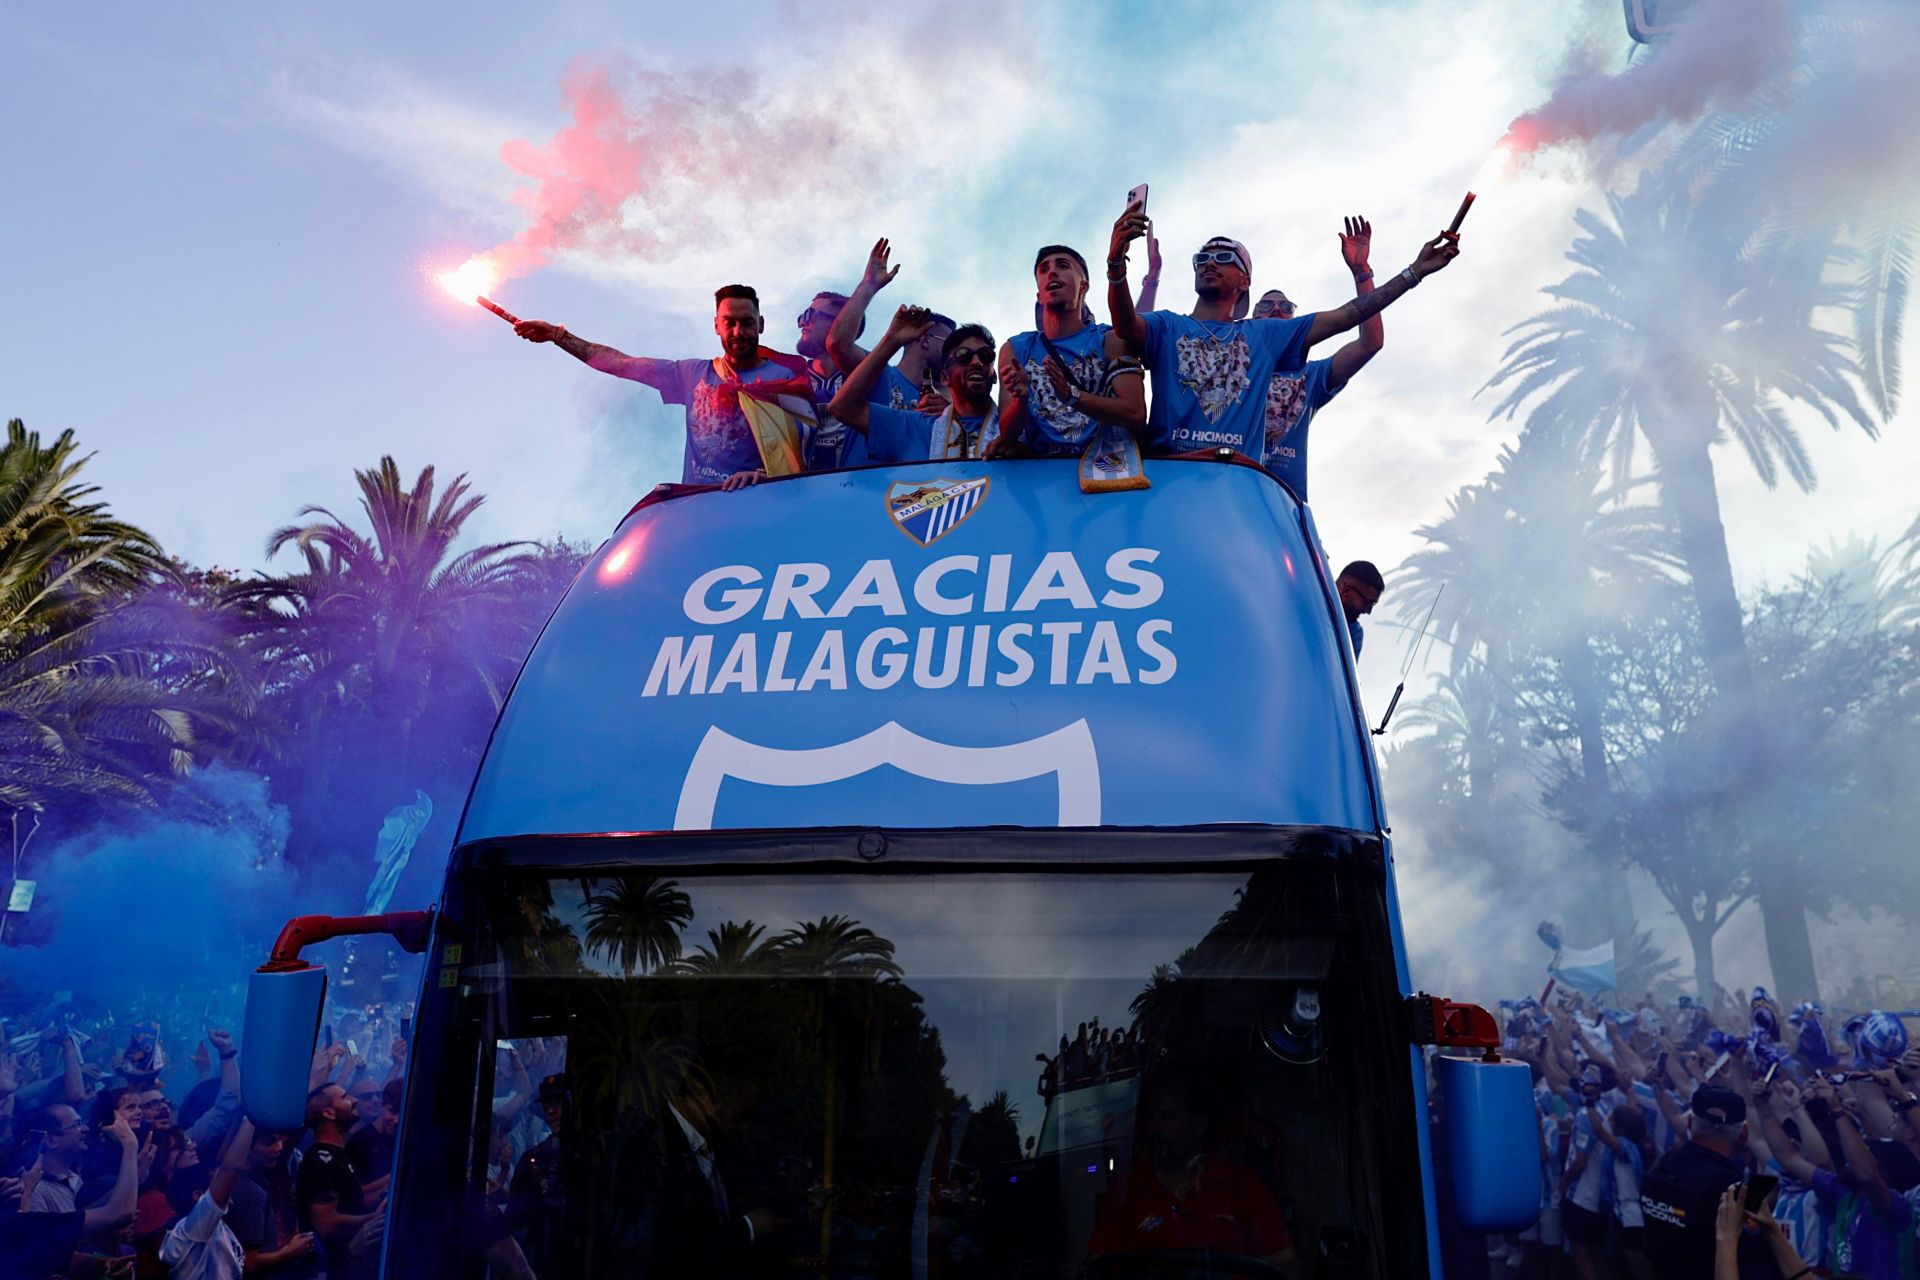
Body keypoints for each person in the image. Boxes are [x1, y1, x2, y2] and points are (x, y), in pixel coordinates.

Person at [1105, 202, 1458, 459]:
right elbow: (1124, 325)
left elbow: (1348, 317)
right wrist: (1116, 264)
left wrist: (1413, 273)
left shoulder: (1264, 338)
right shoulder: (1168, 325)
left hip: (1240, 488)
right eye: (1203, 259)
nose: (1211, 262)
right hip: (1170, 480)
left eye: (1225, 258)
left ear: (1245, 280)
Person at [512, 284, 815, 489]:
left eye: (747, 322)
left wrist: (764, 476)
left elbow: (809, 440)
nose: (739, 331)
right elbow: (620, 364)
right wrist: (558, 336)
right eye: (729, 322)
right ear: (716, 325)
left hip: (763, 502)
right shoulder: (692, 373)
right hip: (698, 506)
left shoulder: (786, 377)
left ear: (760, 324)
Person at [1088, 1062, 1298, 1276]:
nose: (1154, 1128)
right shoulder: (1129, 1190)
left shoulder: (1241, 1185)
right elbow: (1098, 1267)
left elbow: (1285, 1265)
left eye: (1167, 1117)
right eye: (1151, 1118)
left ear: (1198, 1125)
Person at [1249, 215, 1385, 502]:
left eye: (1285, 307)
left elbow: (1370, 343)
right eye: (1266, 306)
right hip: (1226, 493)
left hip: (1284, 509)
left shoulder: (1311, 378)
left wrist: (1362, 272)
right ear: (1251, 320)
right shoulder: (1229, 367)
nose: (1276, 310)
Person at [992, 245, 1146, 458]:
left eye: (1063, 265)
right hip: (1042, 474)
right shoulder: (1015, 349)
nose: (1052, 272)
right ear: (1039, 295)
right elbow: (1007, 434)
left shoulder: (1110, 340)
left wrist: (1073, 396)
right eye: (1044, 269)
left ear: (1083, 286)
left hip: (1106, 472)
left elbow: (1135, 413)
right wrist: (1020, 399)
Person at [827, 307, 999, 462]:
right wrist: (891, 341)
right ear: (945, 376)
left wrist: (951, 410)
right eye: (963, 355)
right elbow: (842, 407)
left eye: (986, 355)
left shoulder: (1015, 428)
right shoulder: (915, 426)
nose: (976, 362)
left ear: (994, 375)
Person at [1640, 1084, 1772, 1280]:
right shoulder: (1733, 1189)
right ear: (1744, 1134)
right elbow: (1755, 1258)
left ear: (1690, 1123)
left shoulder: (1663, 1165)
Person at [826, 238, 956, 415]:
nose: (954, 354)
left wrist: (951, 411)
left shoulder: (939, 406)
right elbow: (838, 344)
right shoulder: (878, 373)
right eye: (948, 344)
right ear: (925, 340)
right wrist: (868, 285)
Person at [158, 1118, 267, 1280]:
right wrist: (250, 1118)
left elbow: (224, 1162)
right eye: (214, 1184)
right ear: (198, 1196)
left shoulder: (211, 1226)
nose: (226, 1187)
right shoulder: (192, 1230)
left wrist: (240, 1113)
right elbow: (229, 1169)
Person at [294, 1084, 383, 1279]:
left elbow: (352, 1201)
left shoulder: (337, 1154)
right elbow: (326, 1225)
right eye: (344, 1097)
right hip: (331, 1269)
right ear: (329, 1113)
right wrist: (372, 1220)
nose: (354, 1100)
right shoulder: (321, 1160)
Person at [226, 1126, 316, 1276]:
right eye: (269, 1143)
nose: (279, 1148)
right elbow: (249, 1262)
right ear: (247, 1147)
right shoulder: (249, 1192)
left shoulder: (261, 1178)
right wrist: (290, 1252)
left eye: (280, 1140)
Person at [345, 1079, 401, 1182]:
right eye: (392, 1112)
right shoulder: (360, 1141)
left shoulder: (400, 1139)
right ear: (382, 1105)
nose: (397, 1120)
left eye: (402, 1114)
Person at [1336, 561, 1385, 657]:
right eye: (1368, 603)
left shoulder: (1353, 634)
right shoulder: (1308, 601)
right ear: (1346, 592)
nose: (1368, 611)